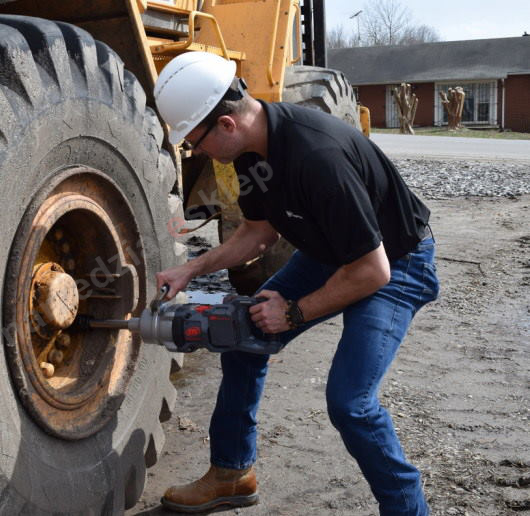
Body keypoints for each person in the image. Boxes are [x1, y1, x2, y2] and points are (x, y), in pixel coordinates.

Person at [153, 51, 439, 515]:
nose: (197, 152)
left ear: (226, 124)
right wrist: (192, 269)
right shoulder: (250, 153)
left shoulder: (317, 157)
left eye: (195, 141)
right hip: (331, 252)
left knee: (350, 403)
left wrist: (293, 312)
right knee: (241, 338)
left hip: (396, 263)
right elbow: (258, 232)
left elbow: (372, 271)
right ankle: (232, 474)